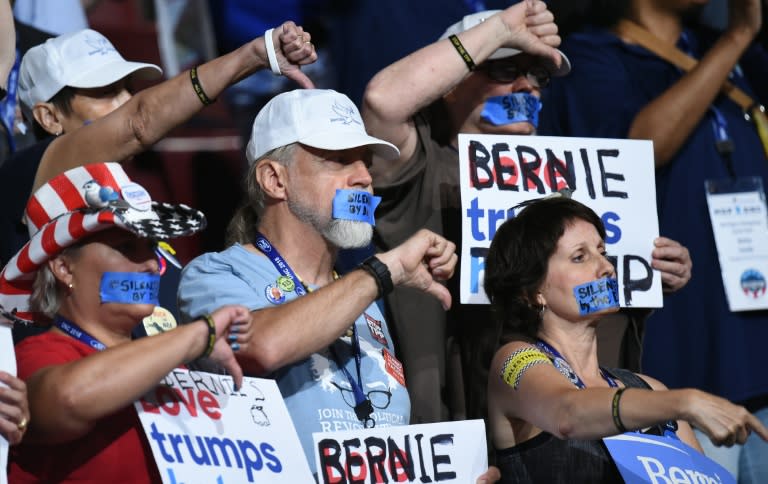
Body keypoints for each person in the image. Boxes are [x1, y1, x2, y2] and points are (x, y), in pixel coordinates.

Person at [361, 2, 692, 424]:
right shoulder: (421, 168)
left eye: (538, 76)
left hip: (567, 429)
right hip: (457, 432)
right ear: (449, 85)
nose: (526, 87)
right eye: (504, 71)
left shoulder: (573, 182)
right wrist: (500, 29)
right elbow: (382, 101)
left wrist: (649, 272)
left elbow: (592, 307)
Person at [177, 88, 499, 482]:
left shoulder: (362, 296)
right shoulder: (214, 275)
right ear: (275, 179)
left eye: (365, 161)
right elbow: (261, 346)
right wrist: (384, 270)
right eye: (338, 160)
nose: (364, 178)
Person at [538, 0, 768, 479]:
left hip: (754, 347)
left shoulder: (713, 48)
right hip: (683, 363)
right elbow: (641, 146)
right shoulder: (591, 58)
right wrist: (737, 36)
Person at [484, 196, 768, 483]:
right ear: (533, 292)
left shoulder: (652, 389)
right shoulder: (513, 360)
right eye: (579, 257)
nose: (606, 267)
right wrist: (685, 402)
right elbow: (566, 413)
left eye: (602, 252)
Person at [0, 162, 250, 482]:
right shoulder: (38, 356)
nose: (150, 264)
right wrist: (199, 335)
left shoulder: (173, 367)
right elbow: (69, 399)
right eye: (125, 247)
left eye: (151, 247)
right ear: (64, 269)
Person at [0, 21, 317, 266]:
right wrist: (253, 55)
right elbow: (139, 122)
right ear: (49, 118)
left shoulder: (127, 195)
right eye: (106, 92)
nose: (126, 100)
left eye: (127, 87)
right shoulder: (23, 175)